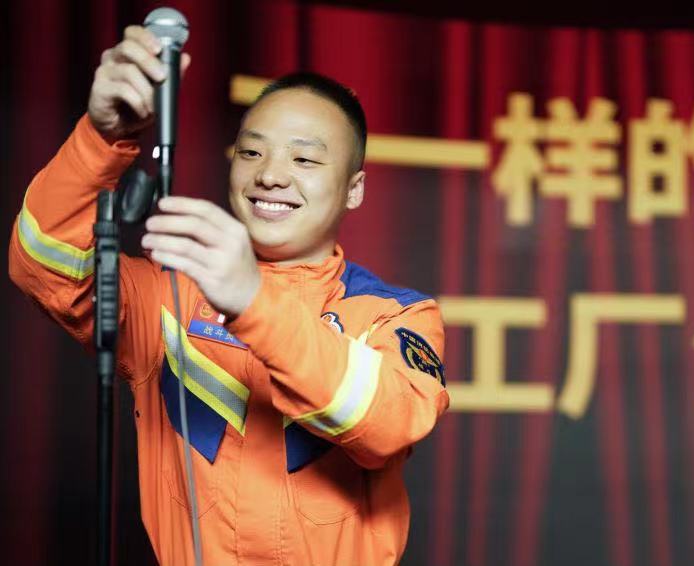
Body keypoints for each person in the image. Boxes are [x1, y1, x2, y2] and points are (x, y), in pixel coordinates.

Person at [9, 24, 449, 566]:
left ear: (353, 189)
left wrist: (252, 300)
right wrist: (100, 139)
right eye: (251, 152)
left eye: (305, 160)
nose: (270, 175)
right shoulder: (167, 293)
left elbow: (388, 423)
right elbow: (44, 265)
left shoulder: (394, 315)